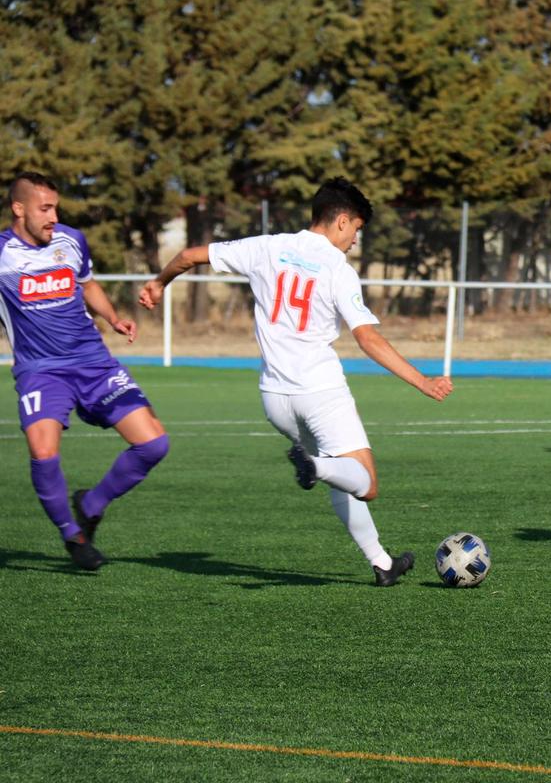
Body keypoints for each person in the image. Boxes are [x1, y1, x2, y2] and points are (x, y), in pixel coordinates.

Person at [138, 178, 453, 586]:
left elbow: (188, 255)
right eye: (357, 228)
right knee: (366, 483)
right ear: (341, 221)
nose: (356, 239)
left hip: (275, 398)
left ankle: (382, 563)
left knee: (340, 474)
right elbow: (367, 337)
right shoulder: (338, 269)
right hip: (320, 391)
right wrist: (421, 382)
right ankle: (315, 466)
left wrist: (159, 283)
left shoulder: (266, 247)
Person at [0, 172, 170, 570]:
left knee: (154, 444)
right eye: (45, 208)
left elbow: (88, 284)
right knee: (43, 452)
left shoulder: (70, 240)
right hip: (41, 370)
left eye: (56, 207)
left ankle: (92, 504)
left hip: (93, 362)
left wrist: (112, 318)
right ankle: (72, 536)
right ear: (19, 209)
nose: (53, 216)